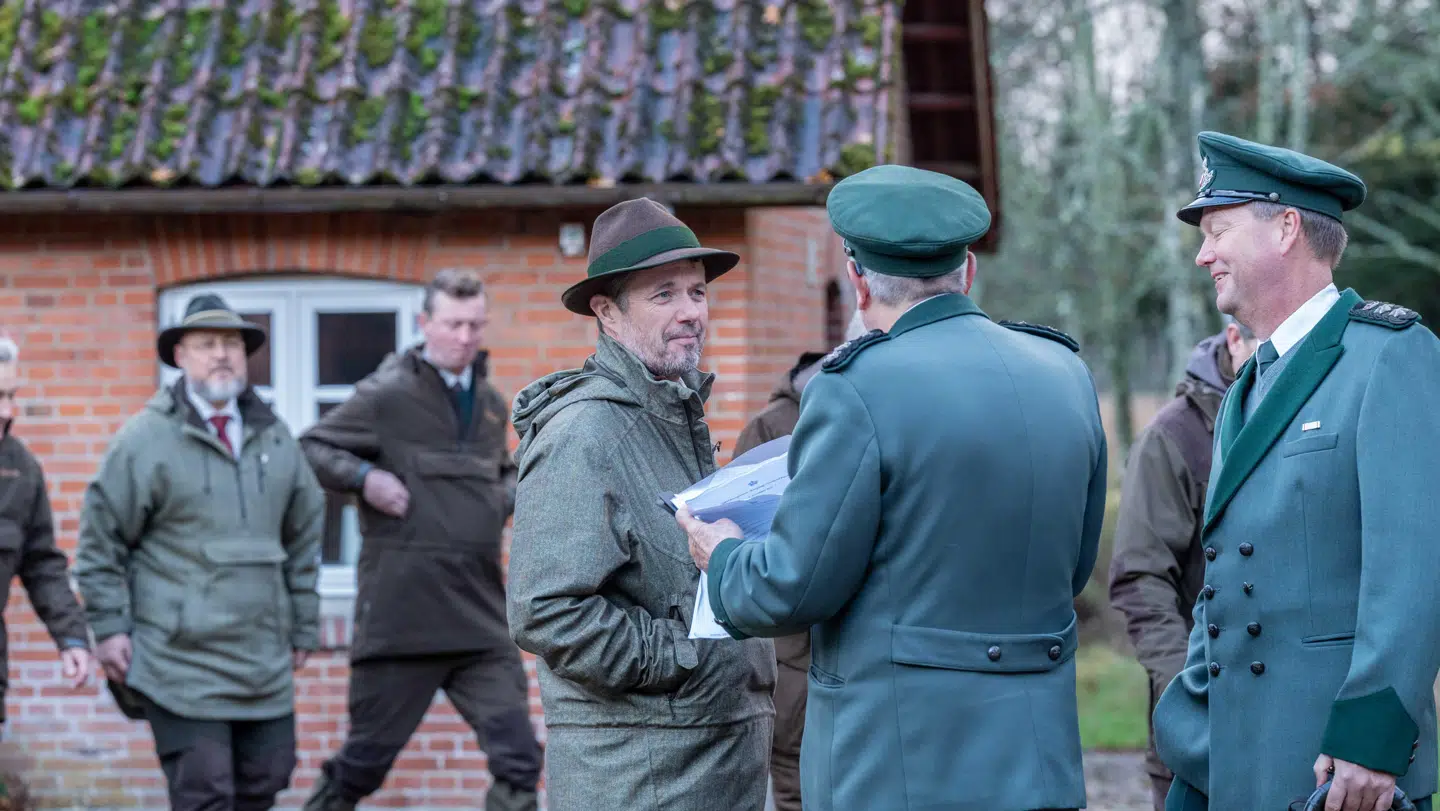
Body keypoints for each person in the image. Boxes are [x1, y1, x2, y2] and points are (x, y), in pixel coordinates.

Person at [678, 164, 1109, 811]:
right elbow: (1071, 567)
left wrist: (726, 556)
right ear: (967, 269)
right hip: (1038, 762)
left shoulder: (855, 388)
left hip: (898, 768)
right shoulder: (1065, 371)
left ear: (857, 280)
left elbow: (792, 585)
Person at [1152, 131, 1440, 811]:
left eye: (1218, 230)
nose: (1204, 253)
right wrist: (1188, 719)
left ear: (1285, 229)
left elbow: (1412, 569)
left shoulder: (1391, 357)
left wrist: (1373, 741)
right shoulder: (1248, 383)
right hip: (1230, 758)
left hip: (1339, 772)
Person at [506, 198, 777, 811]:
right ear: (607, 312)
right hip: (641, 779)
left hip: (709, 762)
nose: (690, 313)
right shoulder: (585, 433)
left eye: (697, 293)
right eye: (664, 296)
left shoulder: (672, 416)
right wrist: (684, 656)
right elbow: (545, 611)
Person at [297, 269, 542, 811]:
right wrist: (366, 479)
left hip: (479, 619)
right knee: (361, 767)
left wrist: (503, 494)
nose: (465, 337)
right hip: (400, 619)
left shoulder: (492, 403)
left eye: (475, 325)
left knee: (520, 759)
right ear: (424, 323)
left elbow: (498, 472)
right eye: (453, 324)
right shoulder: (385, 395)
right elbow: (311, 447)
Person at [74, 294, 326, 811]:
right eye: (207, 344)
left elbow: (303, 537)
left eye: (232, 343)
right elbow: (100, 542)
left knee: (268, 780)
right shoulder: (144, 441)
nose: (222, 355)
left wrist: (304, 623)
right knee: (205, 794)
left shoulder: (276, 438)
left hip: (262, 662)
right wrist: (110, 626)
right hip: (179, 663)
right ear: (180, 356)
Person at [1106, 317, 1259, 811]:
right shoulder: (1173, 438)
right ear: (1234, 340)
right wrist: (1186, 696)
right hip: (1198, 725)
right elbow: (1141, 580)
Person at [732, 316, 870, 811]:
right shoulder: (771, 430)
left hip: (874, 675)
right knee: (797, 794)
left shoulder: (890, 416)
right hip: (798, 676)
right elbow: (743, 552)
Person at [0, 334, 92, 739]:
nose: (7, 411)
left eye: (11, 395)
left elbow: (41, 563)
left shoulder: (19, 469)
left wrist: (71, 636)